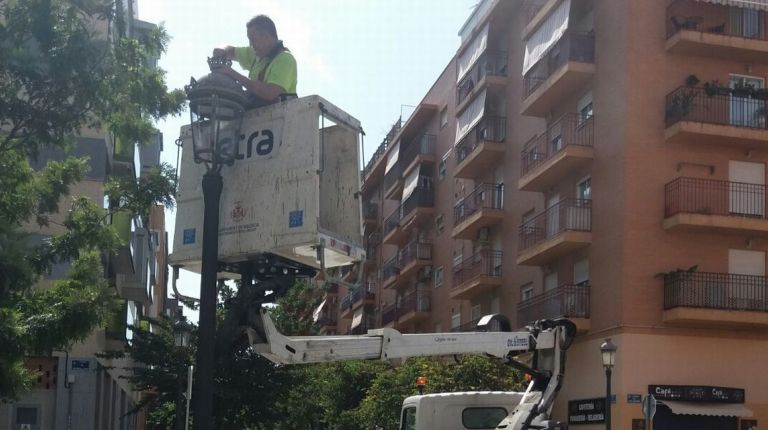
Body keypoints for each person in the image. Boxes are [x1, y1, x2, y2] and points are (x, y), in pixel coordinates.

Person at [212, 15, 297, 107]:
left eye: (253, 39)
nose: (251, 44)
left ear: (266, 36)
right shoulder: (255, 54)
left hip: (281, 118)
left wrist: (232, 74)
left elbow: (270, 93)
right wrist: (223, 51)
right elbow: (231, 51)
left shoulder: (285, 59)